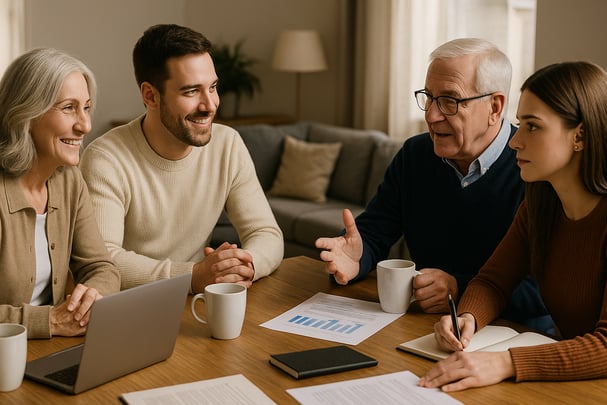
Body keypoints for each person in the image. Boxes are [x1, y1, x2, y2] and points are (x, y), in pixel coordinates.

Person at [315, 38, 550, 329]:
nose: (431, 115)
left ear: (495, 106)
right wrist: (356, 256)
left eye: (450, 101)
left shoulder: (533, 167)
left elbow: (545, 290)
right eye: (429, 97)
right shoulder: (414, 155)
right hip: (428, 326)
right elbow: (374, 231)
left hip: (514, 333)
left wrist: (458, 288)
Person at [419, 61, 607, 391]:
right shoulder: (540, 205)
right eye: (519, 124)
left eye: (532, 127)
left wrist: (506, 361)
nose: (514, 141)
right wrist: (467, 319)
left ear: (580, 136)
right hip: (568, 382)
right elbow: (492, 281)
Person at [80, 24, 283, 294]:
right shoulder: (105, 159)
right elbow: (105, 259)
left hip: (200, 299)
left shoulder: (228, 144)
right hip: (131, 308)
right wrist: (192, 276)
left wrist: (244, 265)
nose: (209, 105)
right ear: (150, 95)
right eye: (191, 91)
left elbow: (266, 233)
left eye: (212, 87)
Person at [0, 48, 121, 339]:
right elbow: (53, 320)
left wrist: (90, 299)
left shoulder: (68, 180)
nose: (85, 125)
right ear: (26, 114)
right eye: (69, 108)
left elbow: (101, 267)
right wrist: (51, 321)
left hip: (49, 348)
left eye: (87, 107)